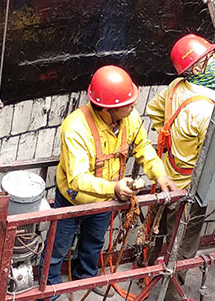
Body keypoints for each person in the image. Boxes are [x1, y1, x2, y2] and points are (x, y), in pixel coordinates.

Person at [45, 65, 178, 298]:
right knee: (57, 248)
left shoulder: (128, 118)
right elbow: (77, 179)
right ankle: (50, 289)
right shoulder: (76, 128)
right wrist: (114, 188)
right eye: (128, 104)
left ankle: (87, 277)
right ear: (108, 109)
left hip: (106, 198)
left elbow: (143, 147)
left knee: (94, 242)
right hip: (73, 200)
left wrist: (160, 174)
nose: (134, 106)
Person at [142, 34, 215, 301]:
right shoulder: (206, 110)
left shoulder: (177, 86)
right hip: (188, 187)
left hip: (165, 175)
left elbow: (154, 111)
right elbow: (210, 156)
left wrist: (171, 139)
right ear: (196, 68)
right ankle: (172, 293)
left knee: (156, 229)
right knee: (184, 242)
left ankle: (145, 271)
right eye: (209, 57)